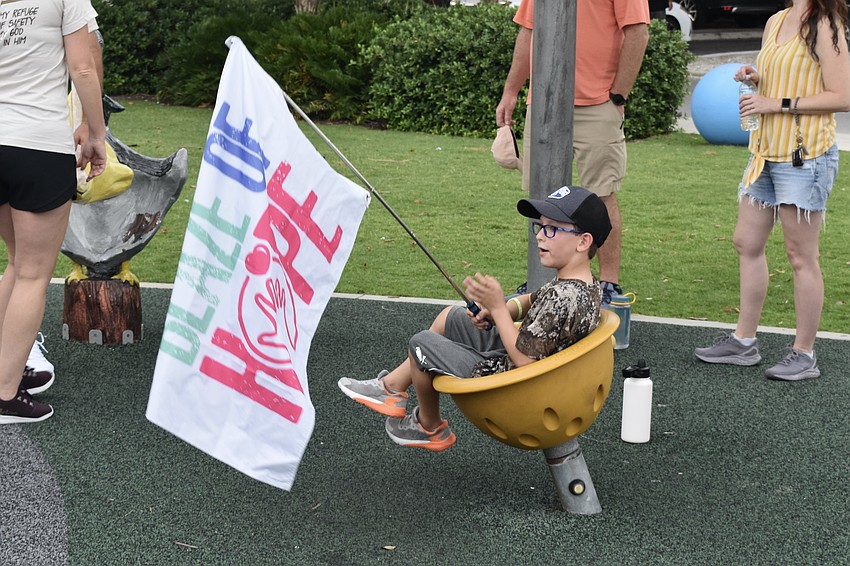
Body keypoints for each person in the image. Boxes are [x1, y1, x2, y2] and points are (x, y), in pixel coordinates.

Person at [338, 186, 611, 451]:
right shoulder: (581, 285)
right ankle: (391, 389)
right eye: (539, 227)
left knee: (422, 344)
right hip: (532, 367)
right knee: (450, 318)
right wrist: (497, 311)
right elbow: (529, 301)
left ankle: (429, 425)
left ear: (583, 241)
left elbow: (525, 361)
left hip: (516, 383)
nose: (540, 237)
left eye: (551, 229)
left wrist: (499, 310)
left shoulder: (563, 298)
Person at [694, 0, 850, 381]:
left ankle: (804, 354)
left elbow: (843, 95)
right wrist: (756, 78)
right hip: (764, 153)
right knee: (746, 242)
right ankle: (744, 343)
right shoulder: (777, 20)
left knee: (801, 256)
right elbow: (784, 77)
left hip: (806, 157)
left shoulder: (826, 23)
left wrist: (774, 103)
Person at [496, 0, 649, 307]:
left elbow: (638, 32)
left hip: (597, 104)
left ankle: (608, 283)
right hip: (543, 101)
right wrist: (511, 91)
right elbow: (529, 30)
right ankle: (544, 281)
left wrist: (618, 93)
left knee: (602, 194)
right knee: (544, 196)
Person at [0, 0, 107, 423]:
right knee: (31, 273)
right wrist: (97, 133)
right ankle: (5, 395)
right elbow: (83, 68)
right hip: (37, 146)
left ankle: (5, 370)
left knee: (16, 265)